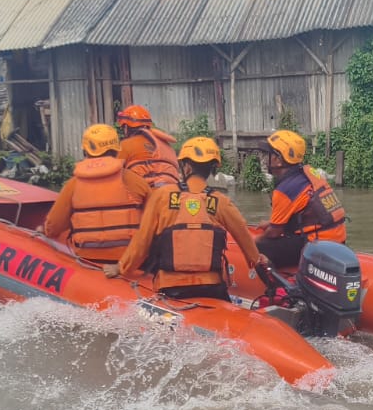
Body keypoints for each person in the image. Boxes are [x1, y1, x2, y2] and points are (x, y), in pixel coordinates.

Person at [115, 137, 267, 302]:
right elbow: (245, 239)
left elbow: (142, 240)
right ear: (212, 168)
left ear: (186, 167)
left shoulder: (162, 196)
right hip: (211, 287)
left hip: (170, 287)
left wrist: (121, 267)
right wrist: (257, 260)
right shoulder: (221, 202)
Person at [42, 124, 151, 265]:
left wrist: (44, 230)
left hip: (88, 261)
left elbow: (53, 227)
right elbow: (155, 220)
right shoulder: (135, 182)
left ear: (85, 151)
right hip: (130, 262)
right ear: (116, 151)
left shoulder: (73, 185)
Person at [256, 129, 347, 269]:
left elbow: (274, 232)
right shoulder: (310, 174)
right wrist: (270, 223)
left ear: (278, 159)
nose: (265, 158)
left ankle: (275, 284)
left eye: (269, 154)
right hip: (338, 241)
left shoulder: (284, 190)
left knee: (260, 245)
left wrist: (254, 240)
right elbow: (305, 212)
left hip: (315, 248)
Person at [115, 103, 181, 190]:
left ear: (126, 127)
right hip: (172, 192)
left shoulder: (125, 145)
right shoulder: (165, 144)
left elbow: (117, 173)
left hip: (144, 194)